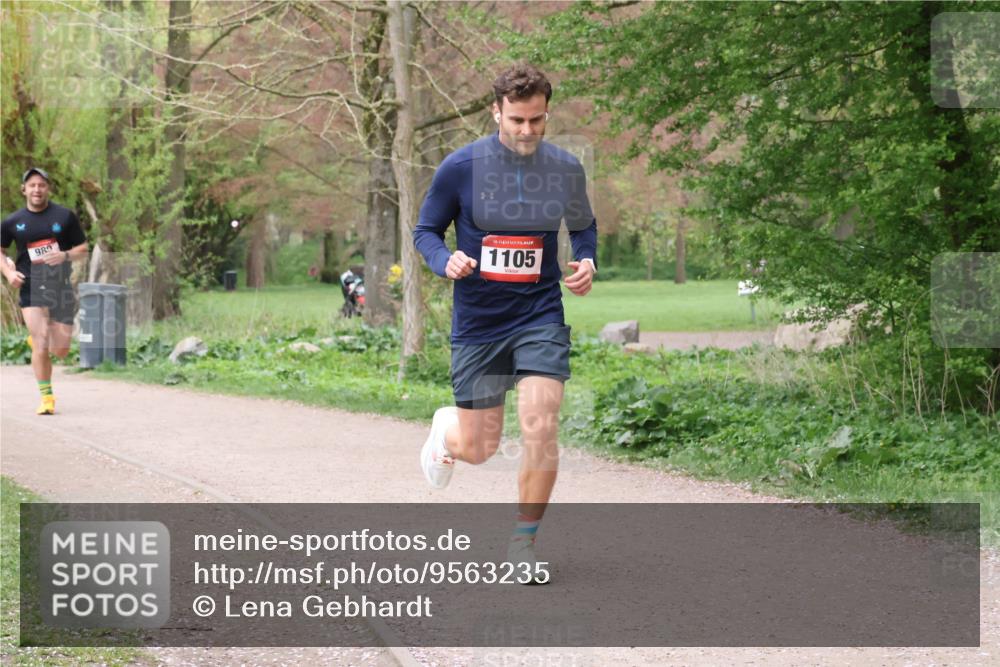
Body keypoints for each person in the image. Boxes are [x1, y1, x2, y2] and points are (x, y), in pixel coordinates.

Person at [414, 64, 597, 582]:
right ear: (496, 112)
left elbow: (584, 227)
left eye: (537, 120)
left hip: (539, 314)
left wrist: (586, 261)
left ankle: (523, 546)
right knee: (480, 448)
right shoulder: (460, 167)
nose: (526, 131)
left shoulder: (564, 169)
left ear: (546, 114)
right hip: (478, 322)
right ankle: (447, 431)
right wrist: (443, 260)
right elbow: (426, 230)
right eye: (516, 120)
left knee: (542, 423)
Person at [1, 168, 88, 415]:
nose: (37, 189)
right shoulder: (11, 222)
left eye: (41, 185)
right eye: (32, 185)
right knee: (41, 343)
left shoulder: (65, 216)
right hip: (30, 287)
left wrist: (64, 254)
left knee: (60, 350)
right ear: (24, 190)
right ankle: (47, 398)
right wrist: (8, 273)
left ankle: (39, 340)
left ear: (48, 188)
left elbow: (83, 248)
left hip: (59, 286)